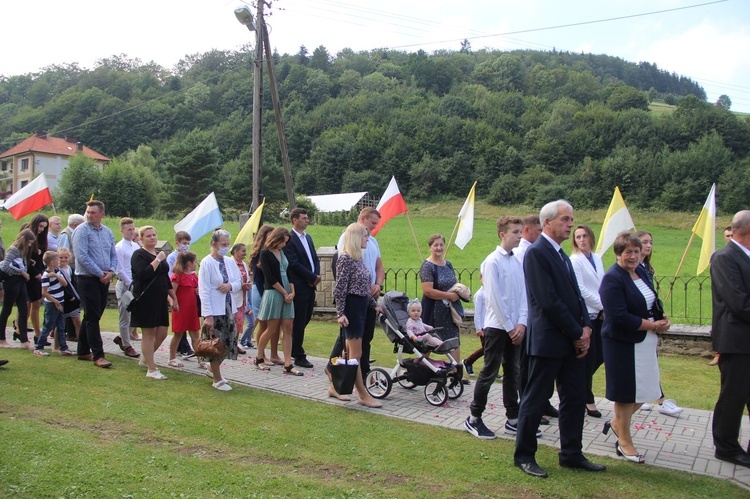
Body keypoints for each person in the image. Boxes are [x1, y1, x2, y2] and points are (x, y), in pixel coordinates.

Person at [514, 200, 605, 479]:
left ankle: (571, 453)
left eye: (571, 219)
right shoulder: (537, 253)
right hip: (549, 341)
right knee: (536, 398)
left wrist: (586, 327)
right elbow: (548, 302)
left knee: (575, 397)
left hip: (572, 342)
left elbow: (576, 297)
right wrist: (577, 332)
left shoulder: (563, 255)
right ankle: (525, 455)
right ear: (548, 222)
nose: (570, 224)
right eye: (565, 220)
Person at [599, 231, 670, 464]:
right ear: (618, 253)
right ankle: (624, 442)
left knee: (648, 391)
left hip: (645, 341)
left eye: (636, 251)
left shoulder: (640, 271)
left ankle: (617, 424)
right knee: (626, 393)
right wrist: (652, 325)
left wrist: (662, 319)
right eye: (627, 252)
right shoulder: (612, 278)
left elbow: (650, 301)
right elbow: (618, 316)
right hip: (622, 343)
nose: (633, 256)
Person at [465, 216, 530, 440]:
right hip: (497, 326)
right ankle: (474, 417)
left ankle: (513, 417)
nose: (520, 236)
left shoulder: (517, 262)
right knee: (489, 372)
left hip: (514, 327)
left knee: (513, 372)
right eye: (515, 232)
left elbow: (523, 295)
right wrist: (510, 326)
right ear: (503, 234)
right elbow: (493, 298)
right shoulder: (492, 261)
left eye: (521, 232)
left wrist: (522, 322)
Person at [710, 211, 750, 468]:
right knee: (733, 395)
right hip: (736, 339)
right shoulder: (725, 257)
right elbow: (738, 302)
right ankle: (726, 446)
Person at [329, 208, 385, 378]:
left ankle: (357, 373)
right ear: (362, 218)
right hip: (353, 301)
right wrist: (340, 311)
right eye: (372, 223)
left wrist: (377, 286)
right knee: (350, 343)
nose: (374, 228)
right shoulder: (347, 244)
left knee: (364, 339)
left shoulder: (372, 243)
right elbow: (341, 282)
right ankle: (339, 372)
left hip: (366, 298)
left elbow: (378, 267)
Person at [333, 223, 382, 407]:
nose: (367, 239)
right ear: (355, 237)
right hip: (352, 309)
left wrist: (374, 305)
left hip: (361, 307)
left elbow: (362, 289)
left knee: (348, 353)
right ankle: (362, 394)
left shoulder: (357, 258)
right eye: (364, 236)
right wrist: (340, 313)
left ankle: (335, 385)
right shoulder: (345, 258)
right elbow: (340, 289)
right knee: (356, 354)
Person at [636, 230, 683, 417]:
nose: (648, 246)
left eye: (650, 242)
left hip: (651, 320)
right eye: (644, 242)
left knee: (651, 362)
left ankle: (654, 398)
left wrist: (660, 315)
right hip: (641, 324)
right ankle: (659, 399)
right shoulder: (633, 270)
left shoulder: (647, 268)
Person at [515, 214, 557, 424]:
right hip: (528, 313)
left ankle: (543, 401)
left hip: (536, 314)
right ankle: (528, 403)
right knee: (527, 362)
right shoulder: (523, 252)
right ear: (527, 230)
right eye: (539, 231)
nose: (542, 235)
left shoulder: (535, 250)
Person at [72, 200, 117, 369]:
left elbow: (113, 253)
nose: (90, 215)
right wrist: (100, 274)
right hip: (87, 278)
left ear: (102, 214)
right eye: (88, 212)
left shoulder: (107, 232)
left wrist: (111, 271)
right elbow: (82, 256)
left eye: (93, 212)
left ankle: (83, 350)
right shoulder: (81, 231)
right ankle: (98, 354)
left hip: (104, 278)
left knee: (94, 315)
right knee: (92, 316)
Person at [198, 229, 242, 391]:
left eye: (227, 245)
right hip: (215, 309)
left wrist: (230, 286)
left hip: (229, 307)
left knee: (229, 340)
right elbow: (204, 289)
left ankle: (212, 369)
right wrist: (207, 315)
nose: (225, 247)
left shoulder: (230, 262)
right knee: (216, 342)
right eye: (223, 244)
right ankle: (217, 379)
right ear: (214, 244)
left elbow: (238, 281)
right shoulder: (207, 263)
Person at [256, 227, 303, 376]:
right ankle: (259, 357)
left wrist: (292, 292)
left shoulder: (283, 253)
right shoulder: (265, 253)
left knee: (288, 329)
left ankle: (288, 363)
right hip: (274, 293)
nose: (284, 245)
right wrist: (284, 292)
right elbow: (269, 277)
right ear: (276, 239)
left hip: (287, 293)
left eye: (286, 242)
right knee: (272, 328)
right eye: (283, 241)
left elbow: (289, 273)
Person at [131, 226, 177, 380]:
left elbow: (165, 278)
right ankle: (151, 368)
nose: (152, 238)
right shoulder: (139, 255)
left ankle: (146, 358)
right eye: (148, 236)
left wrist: (173, 297)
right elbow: (144, 274)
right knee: (149, 334)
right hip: (146, 300)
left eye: (154, 235)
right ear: (141, 238)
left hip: (160, 299)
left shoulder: (159, 255)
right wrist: (157, 260)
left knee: (162, 332)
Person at [569, 225, 605, 418]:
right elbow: (580, 290)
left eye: (584, 236)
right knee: (589, 357)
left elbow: (602, 283)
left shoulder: (597, 258)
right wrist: (601, 305)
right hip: (588, 313)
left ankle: (580, 387)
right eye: (578, 237)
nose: (582, 240)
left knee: (601, 356)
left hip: (601, 314)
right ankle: (587, 397)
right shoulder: (575, 261)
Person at [420, 234, 466, 382]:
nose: (439, 248)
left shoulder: (448, 264)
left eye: (441, 245)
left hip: (449, 310)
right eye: (435, 245)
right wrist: (448, 295)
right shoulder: (427, 266)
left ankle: (455, 372)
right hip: (433, 310)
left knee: (454, 339)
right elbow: (428, 291)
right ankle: (420, 368)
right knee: (429, 341)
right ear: (430, 247)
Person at [283, 208, 320, 369]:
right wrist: (311, 277)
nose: (307, 220)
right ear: (294, 220)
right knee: (298, 320)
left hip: (311, 286)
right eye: (304, 218)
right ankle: (298, 354)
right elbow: (294, 263)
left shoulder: (308, 238)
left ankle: (294, 347)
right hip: (299, 285)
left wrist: (316, 275)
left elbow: (314, 258)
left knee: (305, 318)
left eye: (307, 218)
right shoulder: (289, 239)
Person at [0, 230, 36, 350]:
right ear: (24, 240)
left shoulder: (22, 251)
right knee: (7, 309)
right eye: (29, 242)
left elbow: (19, 263)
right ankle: (2, 339)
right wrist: (21, 273)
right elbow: (5, 266)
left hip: (20, 283)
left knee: (24, 310)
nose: (30, 245)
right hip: (11, 282)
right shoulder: (14, 249)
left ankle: (24, 340)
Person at [240, 225, 273, 351]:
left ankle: (267, 352)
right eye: (269, 235)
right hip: (261, 290)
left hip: (268, 290)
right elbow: (258, 279)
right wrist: (264, 294)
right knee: (262, 322)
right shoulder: (258, 254)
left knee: (270, 323)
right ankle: (260, 353)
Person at [34, 251, 74, 356]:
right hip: (52, 304)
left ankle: (63, 348)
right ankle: (39, 347)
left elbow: (64, 283)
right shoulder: (46, 276)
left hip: (61, 301)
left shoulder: (57, 272)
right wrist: (55, 302)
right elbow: (44, 293)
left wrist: (56, 276)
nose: (59, 261)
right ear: (52, 262)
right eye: (57, 260)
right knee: (48, 325)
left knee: (61, 326)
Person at [114, 217, 140, 358]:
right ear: (122, 230)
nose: (131, 232)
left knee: (137, 314)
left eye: (133, 229)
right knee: (125, 315)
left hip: (135, 283)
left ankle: (122, 337)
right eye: (129, 229)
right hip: (125, 284)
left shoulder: (135, 246)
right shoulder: (119, 247)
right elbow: (120, 269)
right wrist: (130, 283)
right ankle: (127, 344)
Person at [168, 251, 201, 368]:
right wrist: (173, 303)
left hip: (192, 310)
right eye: (194, 262)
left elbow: (197, 290)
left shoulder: (193, 277)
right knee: (178, 335)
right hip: (181, 310)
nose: (195, 264)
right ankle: (172, 357)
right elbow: (171, 293)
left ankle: (200, 360)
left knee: (195, 335)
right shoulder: (177, 276)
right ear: (188, 263)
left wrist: (198, 292)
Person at [710, 226, 734, 367]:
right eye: (727, 236)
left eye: (732, 235)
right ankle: (718, 354)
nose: (730, 238)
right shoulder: (718, 255)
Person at [167, 231, 194, 358]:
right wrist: (173, 301)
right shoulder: (172, 259)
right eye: (184, 243)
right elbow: (171, 284)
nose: (186, 246)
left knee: (193, 332)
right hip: (180, 302)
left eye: (188, 243)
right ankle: (181, 349)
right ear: (177, 243)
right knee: (179, 331)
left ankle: (196, 355)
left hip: (190, 307)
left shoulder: (190, 267)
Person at [26, 214, 49, 344]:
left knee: (32, 304)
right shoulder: (29, 235)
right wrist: (35, 273)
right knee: (33, 303)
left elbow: (39, 259)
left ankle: (20, 330)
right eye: (40, 226)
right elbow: (26, 257)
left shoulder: (41, 239)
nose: (41, 230)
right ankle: (37, 334)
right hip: (31, 275)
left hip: (38, 273)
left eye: (44, 228)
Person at [230, 243, 252, 355]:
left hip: (242, 298)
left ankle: (235, 343)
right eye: (243, 251)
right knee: (231, 321)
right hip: (233, 297)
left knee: (239, 322)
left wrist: (247, 284)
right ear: (235, 251)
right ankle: (228, 344)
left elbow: (246, 278)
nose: (245, 253)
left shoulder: (244, 264)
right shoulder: (230, 263)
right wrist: (240, 286)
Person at [56, 248, 81, 342]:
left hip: (72, 299)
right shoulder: (57, 271)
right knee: (60, 322)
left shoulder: (72, 270)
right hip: (62, 298)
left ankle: (80, 339)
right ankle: (58, 343)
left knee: (77, 320)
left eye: (65, 257)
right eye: (60, 257)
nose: (63, 259)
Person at [462, 278, 484, 377]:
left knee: (494, 349)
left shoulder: (494, 291)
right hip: (484, 326)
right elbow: (478, 313)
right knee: (488, 349)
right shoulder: (479, 295)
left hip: (493, 324)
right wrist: (478, 328)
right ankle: (468, 361)